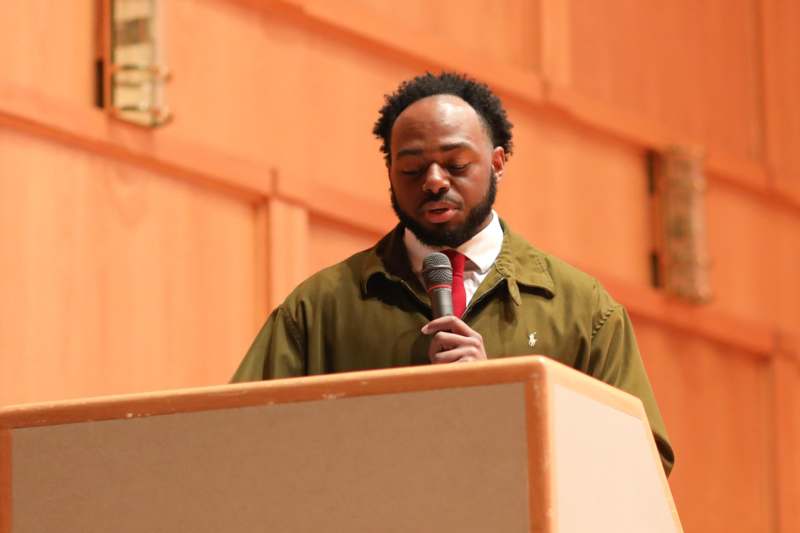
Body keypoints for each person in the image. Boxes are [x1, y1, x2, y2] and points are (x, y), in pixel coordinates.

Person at [232, 72, 674, 474]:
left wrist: (506, 405)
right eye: (411, 168)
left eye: (456, 165)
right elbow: (238, 440)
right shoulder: (321, 307)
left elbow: (640, 464)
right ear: (390, 173)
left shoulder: (582, 309)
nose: (434, 181)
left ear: (497, 162)